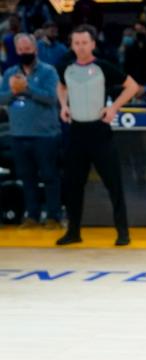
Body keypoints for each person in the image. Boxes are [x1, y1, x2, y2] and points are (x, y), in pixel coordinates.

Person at [56, 25, 141, 246]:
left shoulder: (103, 67)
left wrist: (113, 109)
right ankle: (74, 232)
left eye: (85, 43)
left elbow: (132, 86)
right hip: (76, 132)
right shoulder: (66, 67)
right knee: (74, 185)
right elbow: (61, 85)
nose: (81, 47)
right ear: (71, 45)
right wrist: (63, 105)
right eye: (77, 43)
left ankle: (123, 232)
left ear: (93, 44)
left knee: (113, 183)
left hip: (99, 132)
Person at [0, 34, 62, 229]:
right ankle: (32, 216)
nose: (24, 52)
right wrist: (14, 91)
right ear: (16, 51)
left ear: (35, 49)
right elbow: (2, 99)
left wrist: (27, 88)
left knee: (50, 176)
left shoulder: (48, 71)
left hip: (45, 135)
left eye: (27, 49)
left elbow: (51, 98)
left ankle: (54, 216)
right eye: (20, 50)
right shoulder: (10, 72)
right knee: (27, 178)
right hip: (18, 134)